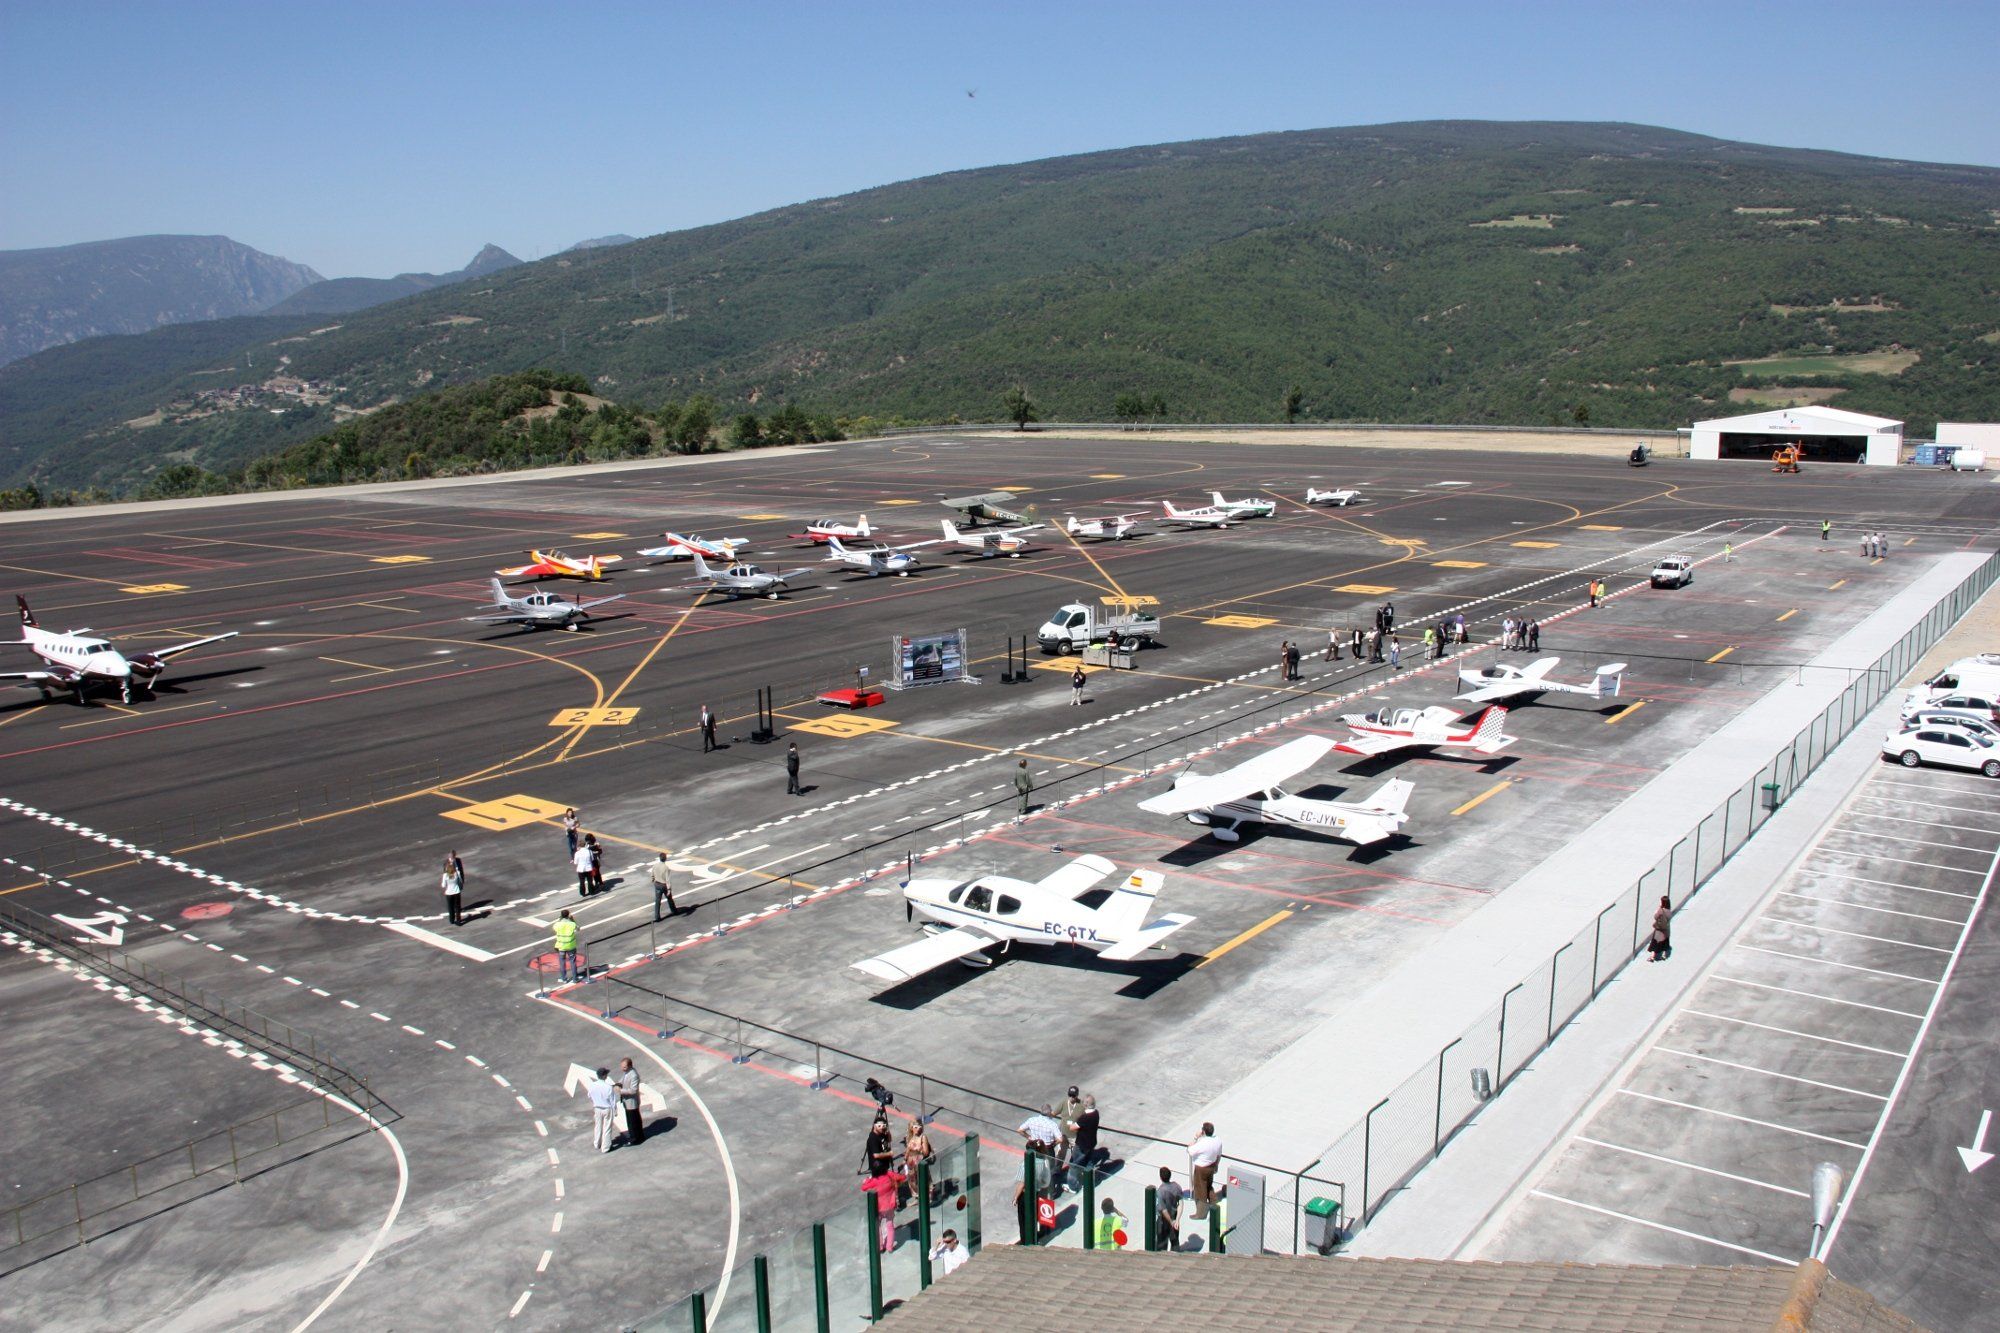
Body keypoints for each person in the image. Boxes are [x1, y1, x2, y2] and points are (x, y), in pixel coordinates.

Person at [860, 1166, 906, 1252]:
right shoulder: (889, 1176)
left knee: (878, 1226)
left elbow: (863, 1188)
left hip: (878, 1207)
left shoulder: (874, 1180)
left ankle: (880, 1246)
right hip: (889, 1206)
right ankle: (889, 1247)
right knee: (890, 1225)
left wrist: (867, 1180)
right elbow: (903, 1177)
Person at [1188, 1122, 1222, 1219]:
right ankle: (1214, 1204)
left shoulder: (1202, 1143)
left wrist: (1195, 1137)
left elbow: (1190, 1150)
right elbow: (1219, 1155)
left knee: (1200, 1190)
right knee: (1208, 1186)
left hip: (1201, 1169)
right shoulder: (1218, 1140)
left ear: (1203, 1131)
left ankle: (1201, 1214)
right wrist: (1216, 1165)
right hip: (1211, 1166)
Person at [1053, 1085, 1084, 1190]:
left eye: (1073, 1096)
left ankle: (1074, 1175)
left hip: (1074, 1136)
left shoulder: (1081, 1105)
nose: (1072, 1098)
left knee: (1075, 1156)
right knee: (1060, 1153)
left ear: (1077, 1096)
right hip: (1063, 1134)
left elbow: (1085, 1119)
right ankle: (1057, 1171)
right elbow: (1053, 1113)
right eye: (1070, 1095)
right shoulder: (1063, 1103)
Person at [587, 1066, 618, 1153]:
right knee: (607, 1128)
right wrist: (615, 1110)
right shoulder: (608, 1087)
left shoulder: (592, 1085)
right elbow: (613, 1101)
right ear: (604, 1076)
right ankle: (605, 1147)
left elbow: (589, 1095)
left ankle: (597, 1143)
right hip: (607, 1108)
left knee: (598, 1126)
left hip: (597, 1108)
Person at [1155, 1166, 1185, 1252]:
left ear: (1160, 1177)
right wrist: (1177, 1220)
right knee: (1175, 1243)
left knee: (1161, 1244)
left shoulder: (1160, 1191)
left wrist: (1171, 1221)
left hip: (1163, 1221)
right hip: (1174, 1217)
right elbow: (1181, 1203)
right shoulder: (1177, 1186)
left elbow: (1163, 1210)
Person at [616, 1056, 644, 1146]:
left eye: (624, 1067)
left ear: (630, 1066)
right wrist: (618, 1084)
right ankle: (639, 1136)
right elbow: (623, 1080)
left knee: (632, 1122)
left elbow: (633, 1090)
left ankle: (634, 1139)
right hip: (628, 1102)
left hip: (631, 1102)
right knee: (634, 1120)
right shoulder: (627, 1072)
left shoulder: (634, 1075)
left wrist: (620, 1091)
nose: (622, 1069)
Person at [1073, 1093, 1101, 1176]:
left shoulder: (1084, 1117)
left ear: (1085, 1104)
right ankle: (1089, 1178)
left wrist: (1070, 1123)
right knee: (1089, 1162)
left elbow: (1073, 1127)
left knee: (1075, 1163)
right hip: (1092, 1142)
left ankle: (1075, 1183)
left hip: (1082, 1144)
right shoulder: (1096, 1113)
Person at [552, 910, 579, 983]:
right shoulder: (572, 924)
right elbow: (578, 929)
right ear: (568, 915)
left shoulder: (557, 924)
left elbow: (554, 927)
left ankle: (564, 978)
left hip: (561, 946)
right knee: (572, 962)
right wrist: (572, 919)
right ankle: (575, 979)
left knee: (562, 962)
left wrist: (560, 919)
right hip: (571, 945)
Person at [650, 853, 677, 919]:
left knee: (657, 901)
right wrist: (669, 889)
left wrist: (653, 880)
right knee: (669, 898)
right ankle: (674, 911)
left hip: (657, 884)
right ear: (665, 858)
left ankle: (657, 916)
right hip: (663, 885)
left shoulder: (655, 865)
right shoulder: (666, 868)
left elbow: (652, 875)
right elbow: (667, 880)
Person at [441, 853, 464, 927]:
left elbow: (443, 885)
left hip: (449, 893)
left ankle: (451, 920)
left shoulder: (445, 875)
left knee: (450, 907)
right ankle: (459, 920)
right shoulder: (456, 874)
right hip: (456, 892)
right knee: (457, 907)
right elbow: (460, 881)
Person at [1649, 895, 1673, 962]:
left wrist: (1659, 909)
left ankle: (1653, 957)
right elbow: (1669, 918)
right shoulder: (1669, 911)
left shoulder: (1660, 910)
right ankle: (1664, 955)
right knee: (1664, 943)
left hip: (1659, 930)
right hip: (1666, 930)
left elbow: (1655, 917)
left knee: (1655, 943)